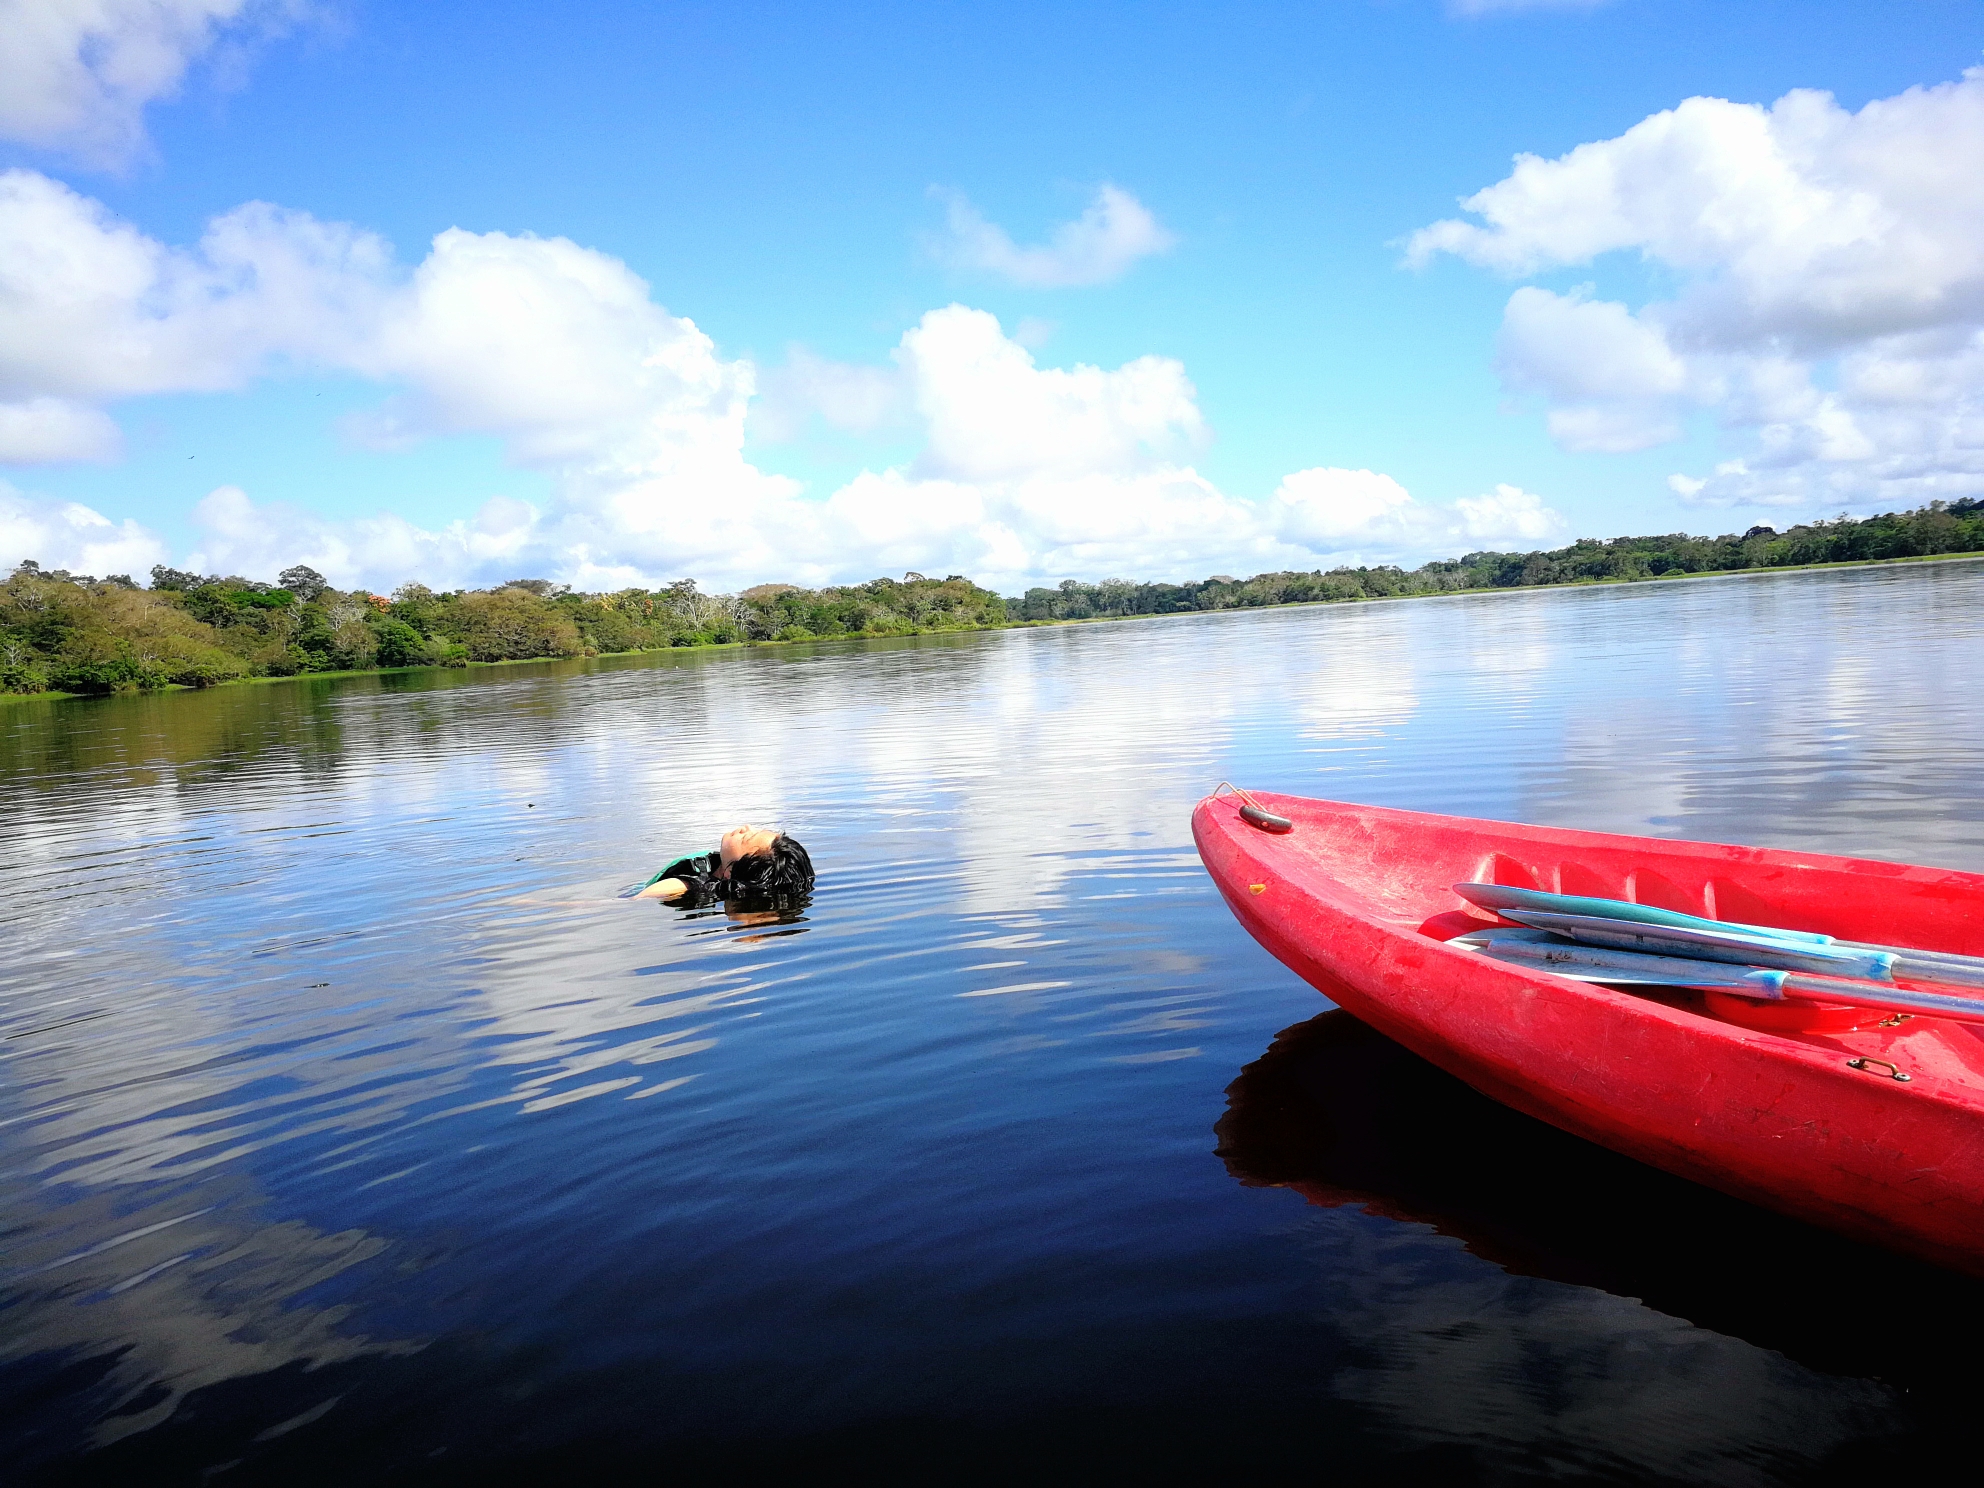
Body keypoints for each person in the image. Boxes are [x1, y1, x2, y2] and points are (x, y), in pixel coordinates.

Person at [624, 824, 815, 908]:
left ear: (731, 872)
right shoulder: (718, 866)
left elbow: (631, 902)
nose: (746, 827)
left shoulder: (685, 886)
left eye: (747, 838)